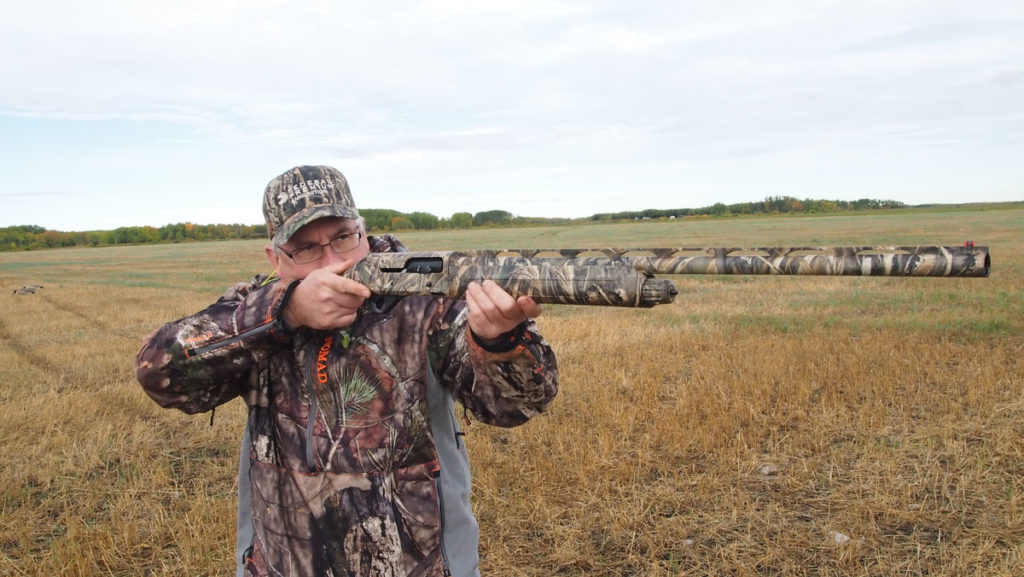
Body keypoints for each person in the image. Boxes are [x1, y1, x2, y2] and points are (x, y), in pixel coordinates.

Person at [135, 165, 559, 577]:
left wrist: (498, 343)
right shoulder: (255, 312)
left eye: (343, 238)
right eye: (306, 248)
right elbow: (161, 374)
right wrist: (288, 312)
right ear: (274, 257)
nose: (331, 261)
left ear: (363, 231)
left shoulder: (425, 302)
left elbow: (515, 406)